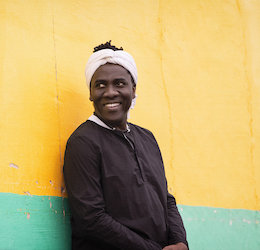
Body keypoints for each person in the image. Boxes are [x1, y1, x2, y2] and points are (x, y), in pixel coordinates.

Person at [63, 41, 188, 250]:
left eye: (119, 83)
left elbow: (166, 200)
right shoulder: (83, 142)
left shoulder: (147, 138)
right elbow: (91, 219)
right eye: (100, 85)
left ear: (133, 89)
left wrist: (179, 242)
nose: (110, 92)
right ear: (91, 93)